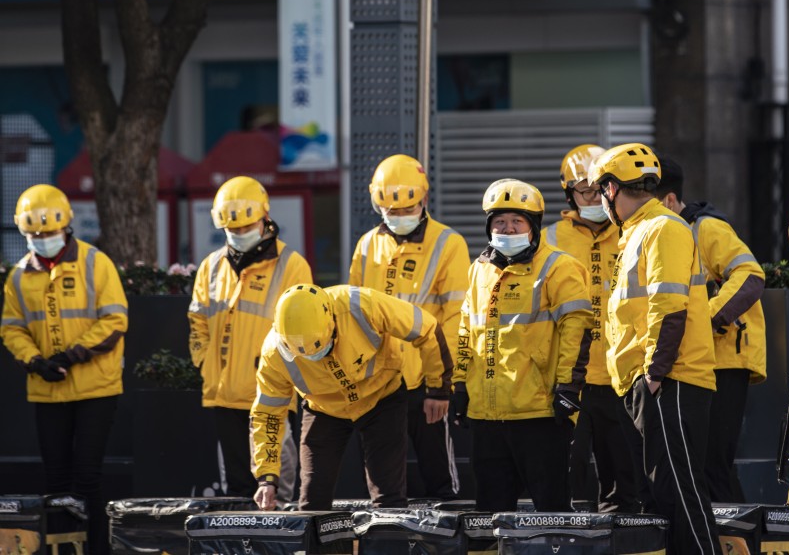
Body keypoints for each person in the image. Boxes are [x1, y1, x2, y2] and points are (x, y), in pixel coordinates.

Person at [588, 144, 722, 555]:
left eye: (600, 192)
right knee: (660, 497)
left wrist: (654, 373)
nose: (600, 201)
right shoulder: (638, 232)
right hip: (647, 382)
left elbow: (669, 305)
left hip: (670, 380)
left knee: (679, 492)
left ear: (612, 188)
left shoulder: (663, 228)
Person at [1, 184, 128, 555]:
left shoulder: (94, 262)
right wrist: (34, 361)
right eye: (35, 235)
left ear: (66, 227)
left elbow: (115, 320)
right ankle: (60, 550)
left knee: (87, 479)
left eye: (49, 233)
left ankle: (95, 550)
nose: (42, 240)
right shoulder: (19, 276)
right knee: (56, 483)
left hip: (96, 389)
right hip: (47, 389)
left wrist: (72, 356)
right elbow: (12, 327)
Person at [452, 179, 593, 512]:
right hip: (486, 414)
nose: (507, 228)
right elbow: (465, 330)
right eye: (499, 221)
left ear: (534, 226)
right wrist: (458, 385)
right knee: (489, 514)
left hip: (540, 413)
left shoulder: (559, 267)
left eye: (517, 221)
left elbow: (577, 329)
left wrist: (569, 387)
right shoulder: (479, 270)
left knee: (551, 510)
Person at [251, 283, 452, 510]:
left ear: (332, 322)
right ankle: (319, 547)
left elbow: (426, 328)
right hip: (323, 409)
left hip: (382, 397)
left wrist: (438, 389)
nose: (313, 357)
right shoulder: (273, 354)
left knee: (388, 496)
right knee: (312, 500)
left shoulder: (362, 306)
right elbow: (267, 415)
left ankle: (388, 544)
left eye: (320, 348)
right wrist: (267, 477)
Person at [350, 154, 469, 499]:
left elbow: (454, 318)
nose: (399, 217)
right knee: (383, 480)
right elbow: (353, 314)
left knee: (439, 480)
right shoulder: (367, 245)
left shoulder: (449, 244)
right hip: (377, 383)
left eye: (406, 209)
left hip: (424, 380)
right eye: (391, 211)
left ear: (424, 200)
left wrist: (440, 386)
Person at [188, 176, 312, 501]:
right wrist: (205, 361)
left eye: (246, 227)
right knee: (237, 492)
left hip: (272, 396)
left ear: (265, 218)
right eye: (233, 229)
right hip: (224, 394)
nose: (240, 234)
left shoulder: (292, 265)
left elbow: (304, 329)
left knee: (277, 492)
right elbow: (198, 319)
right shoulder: (211, 266)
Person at [654, 156, 766, 503]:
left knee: (712, 463)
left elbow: (750, 276)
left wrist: (704, 321)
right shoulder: (661, 236)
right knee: (703, 465)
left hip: (723, 360)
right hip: (694, 363)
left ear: (670, 200)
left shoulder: (706, 229)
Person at [543, 144, 642, 513]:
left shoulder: (634, 231)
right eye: (583, 191)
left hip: (623, 373)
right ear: (570, 193)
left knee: (625, 479)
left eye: (598, 189)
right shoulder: (550, 238)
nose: (593, 197)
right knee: (567, 473)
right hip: (571, 375)